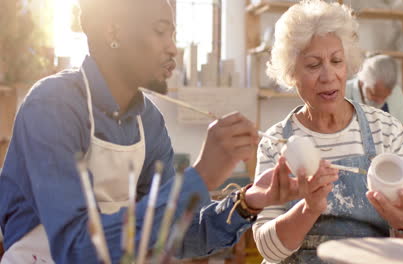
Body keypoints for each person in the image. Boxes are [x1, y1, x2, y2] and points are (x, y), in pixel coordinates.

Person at [0, 1, 306, 263]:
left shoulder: (148, 121)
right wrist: (199, 177)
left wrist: (249, 201)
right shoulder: (53, 106)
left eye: (172, 34)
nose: (172, 47)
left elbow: (174, 235)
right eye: (161, 31)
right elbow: (76, 250)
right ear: (114, 31)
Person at [253, 1, 403, 263]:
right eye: (313, 65)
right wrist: (308, 209)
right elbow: (267, 249)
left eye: (336, 61)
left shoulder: (386, 130)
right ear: (292, 73)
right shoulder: (276, 142)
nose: (328, 76)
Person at [346, 54, 403, 125]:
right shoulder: (341, 93)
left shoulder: (396, 92)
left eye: (385, 97)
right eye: (374, 95)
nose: (380, 101)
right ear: (362, 82)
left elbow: (402, 133)